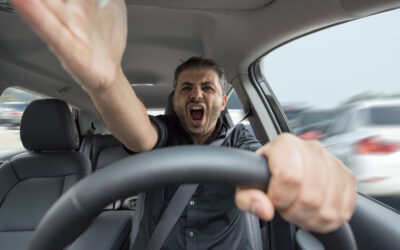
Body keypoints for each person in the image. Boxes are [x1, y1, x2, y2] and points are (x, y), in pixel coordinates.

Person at [11, 0, 356, 249]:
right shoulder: (164, 134)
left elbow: (265, 158)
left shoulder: (239, 139)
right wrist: (106, 82)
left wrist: (294, 161)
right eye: (187, 88)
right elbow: (139, 132)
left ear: (222, 101)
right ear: (175, 100)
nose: (197, 95)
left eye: (208, 88)